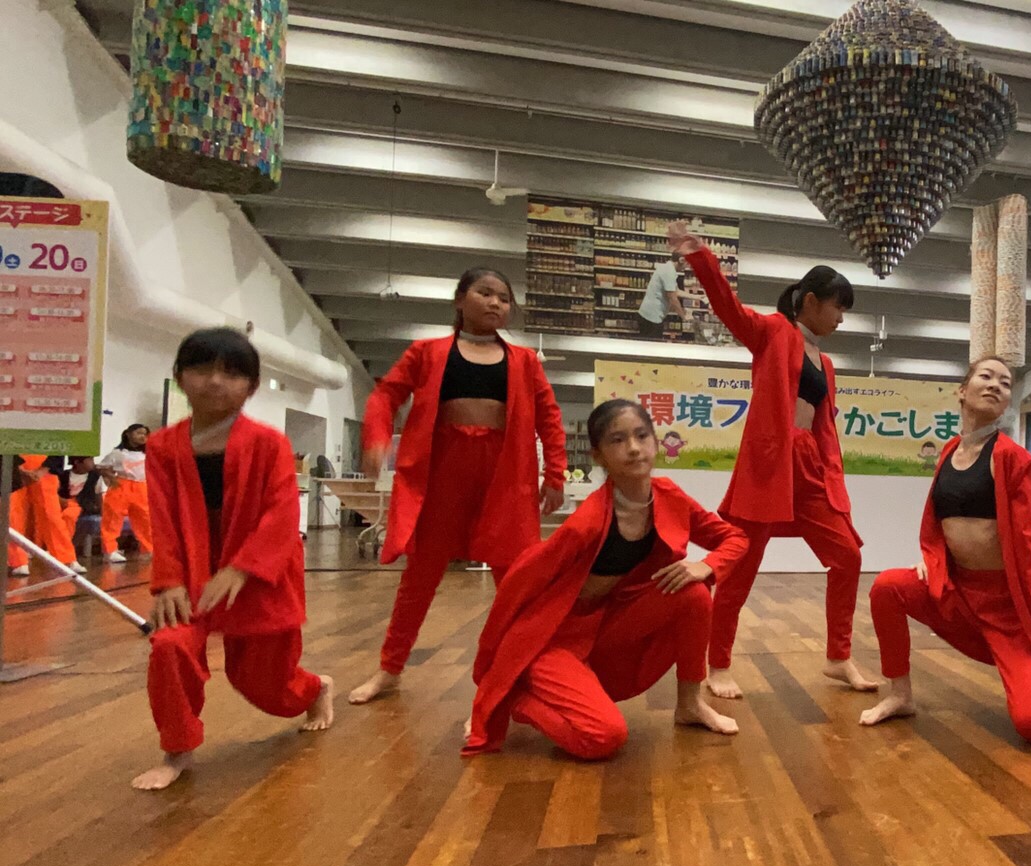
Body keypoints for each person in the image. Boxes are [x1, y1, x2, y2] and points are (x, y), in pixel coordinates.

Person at [464, 400, 746, 759]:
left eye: (641, 435)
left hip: (608, 623)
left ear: (656, 441)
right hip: (556, 639)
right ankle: (515, 697)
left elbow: (735, 538)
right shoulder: (587, 521)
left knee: (693, 592)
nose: (633, 448)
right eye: (617, 440)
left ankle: (689, 704)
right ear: (598, 455)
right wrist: (493, 676)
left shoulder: (669, 496)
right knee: (604, 737)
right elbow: (519, 585)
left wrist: (707, 565)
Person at [668, 220, 875, 699]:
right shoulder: (772, 332)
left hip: (809, 469)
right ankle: (718, 664)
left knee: (847, 556)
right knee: (738, 569)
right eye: (838, 308)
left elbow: (823, 427)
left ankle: (838, 658)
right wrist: (700, 257)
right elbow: (728, 306)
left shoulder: (826, 363)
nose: (841, 319)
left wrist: (830, 475)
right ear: (811, 302)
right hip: (769, 469)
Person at [350, 268, 568, 705]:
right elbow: (385, 396)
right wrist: (375, 439)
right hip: (441, 473)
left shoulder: (524, 360)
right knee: (419, 578)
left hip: (504, 474)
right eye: (485, 293)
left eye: (503, 298)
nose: (495, 303)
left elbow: (549, 417)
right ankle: (390, 669)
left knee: (517, 580)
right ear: (459, 299)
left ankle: (526, 669)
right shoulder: (427, 352)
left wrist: (556, 474)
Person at [133, 329, 333, 790]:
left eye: (231, 373)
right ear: (180, 376)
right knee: (170, 647)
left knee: (262, 684)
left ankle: (315, 688)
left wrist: (243, 567)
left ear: (252, 386)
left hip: (260, 573)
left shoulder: (269, 443)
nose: (215, 381)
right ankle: (177, 750)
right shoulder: (163, 446)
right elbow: (163, 518)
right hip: (191, 571)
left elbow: (282, 513)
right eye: (202, 369)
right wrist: (169, 581)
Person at [860, 357, 1031, 743]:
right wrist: (932, 559)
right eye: (986, 376)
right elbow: (938, 519)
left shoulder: (1013, 458)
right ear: (962, 391)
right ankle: (901, 695)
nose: (995, 385)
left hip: (1006, 606)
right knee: (887, 587)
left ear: (1007, 402)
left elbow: (1026, 546)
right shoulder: (949, 450)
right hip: (957, 591)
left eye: (1005, 383)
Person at [8, 454, 82, 576]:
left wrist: (43, 470)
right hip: (12, 465)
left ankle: (65, 558)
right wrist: (19, 469)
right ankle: (18, 561)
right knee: (12, 514)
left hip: (44, 465)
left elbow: (58, 446)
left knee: (51, 514)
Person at [97, 423, 154, 563]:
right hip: (122, 484)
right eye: (138, 433)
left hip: (142, 487)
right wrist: (111, 477)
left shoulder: (149, 453)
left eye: (145, 434)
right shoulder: (118, 453)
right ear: (128, 434)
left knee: (145, 519)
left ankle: (148, 549)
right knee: (112, 518)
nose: (142, 436)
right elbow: (102, 467)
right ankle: (109, 551)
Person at [637, 251, 686, 341]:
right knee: (652, 347)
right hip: (652, 318)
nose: (687, 266)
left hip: (648, 314)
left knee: (646, 345)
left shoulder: (667, 267)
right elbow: (673, 299)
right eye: (687, 263)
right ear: (681, 260)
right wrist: (684, 317)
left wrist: (697, 297)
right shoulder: (669, 272)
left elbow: (676, 291)